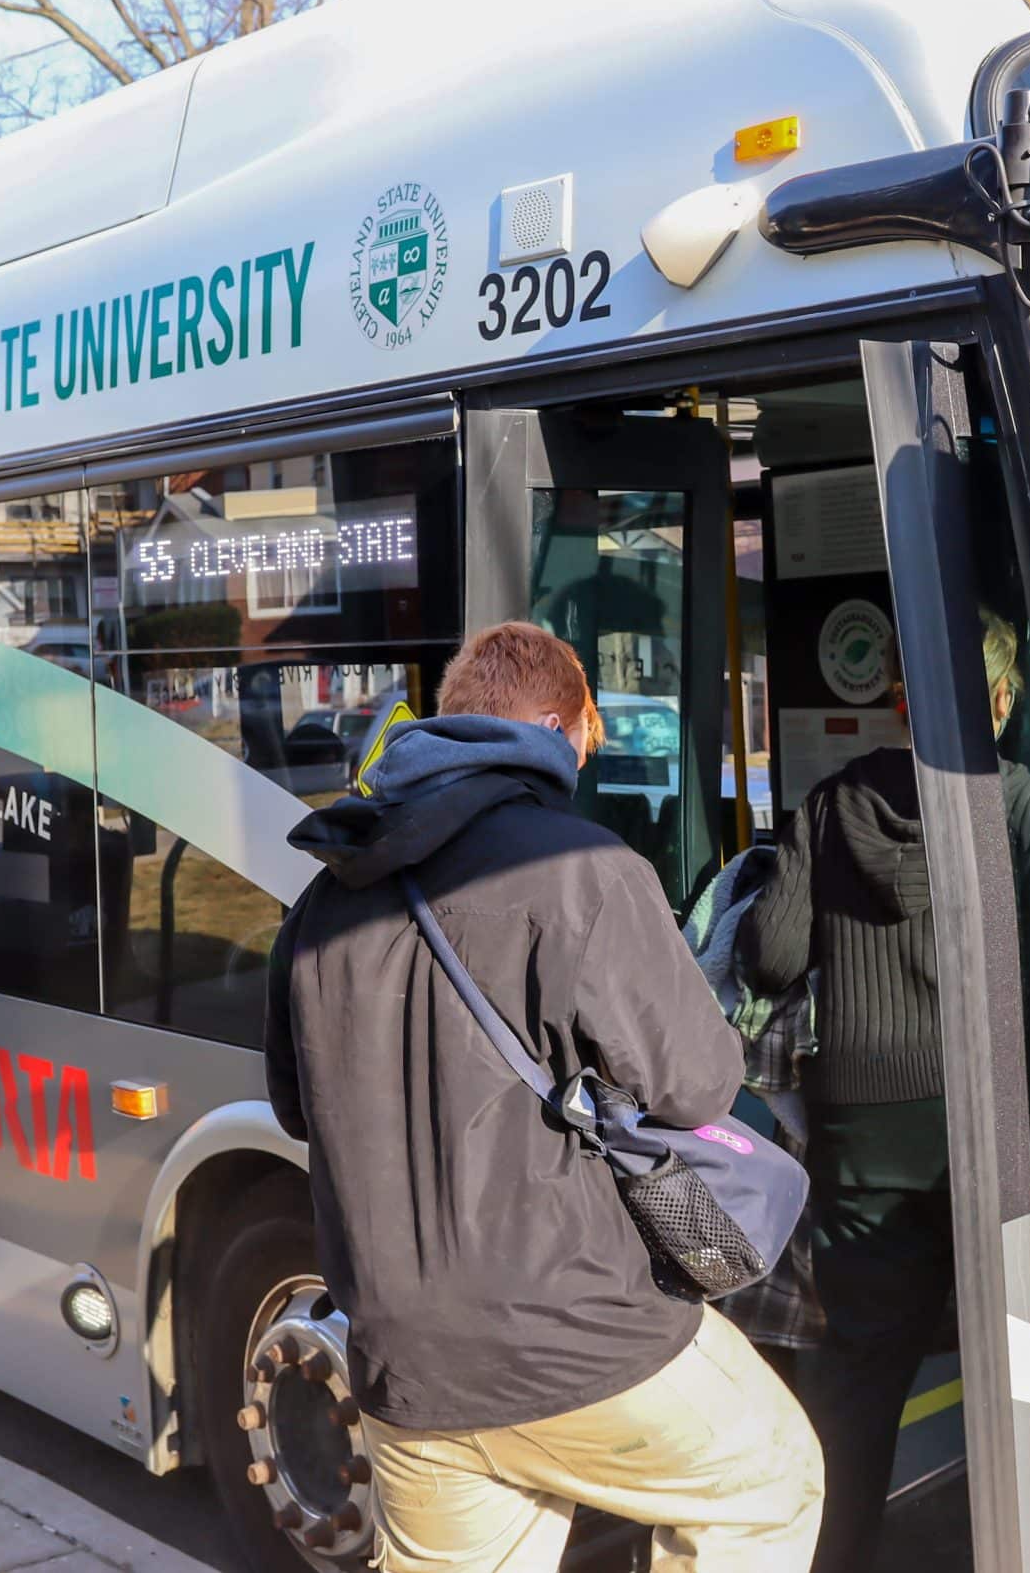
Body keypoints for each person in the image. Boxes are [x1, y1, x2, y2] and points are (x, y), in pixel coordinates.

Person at [264, 621, 823, 1573]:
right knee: (770, 1484)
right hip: (575, 1339)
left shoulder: (326, 893)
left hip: (406, 1361)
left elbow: (294, 1103)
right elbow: (699, 1083)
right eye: (589, 741)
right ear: (559, 728)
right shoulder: (584, 870)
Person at [735, 610, 1030, 1573]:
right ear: (1000, 704)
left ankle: (835, 1556)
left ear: (903, 701)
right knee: (1021, 1354)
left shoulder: (834, 804)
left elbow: (770, 956)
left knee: (861, 1377)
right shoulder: (1024, 807)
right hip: (998, 1122)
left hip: (862, 1124)